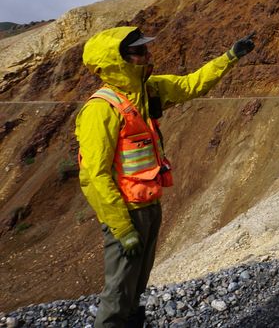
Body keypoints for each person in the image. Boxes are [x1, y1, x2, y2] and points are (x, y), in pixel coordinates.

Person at [76, 26, 255, 328]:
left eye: (146, 49)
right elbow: (94, 175)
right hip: (126, 215)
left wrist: (229, 57)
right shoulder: (100, 110)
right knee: (118, 295)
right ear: (118, 60)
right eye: (139, 51)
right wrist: (122, 228)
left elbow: (191, 85)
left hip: (149, 206)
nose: (148, 55)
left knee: (135, 289)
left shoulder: (148, 92)